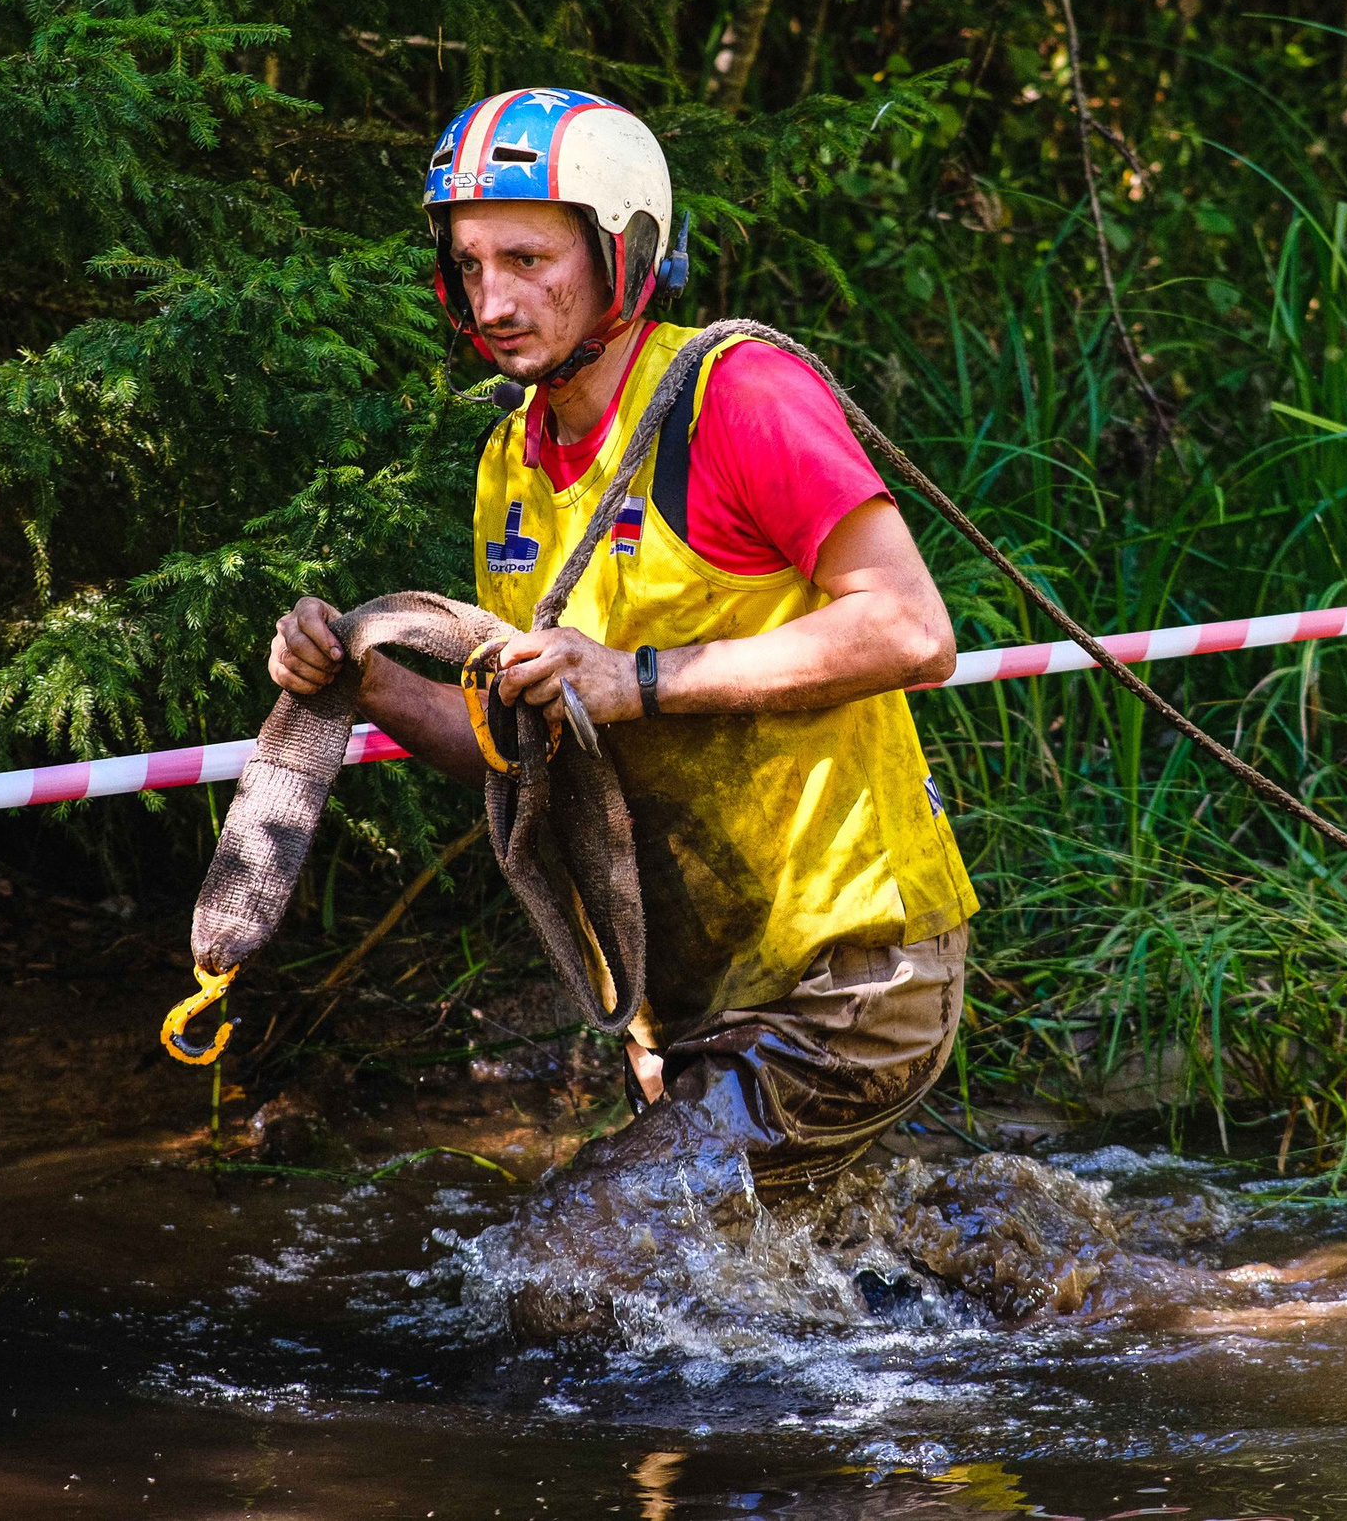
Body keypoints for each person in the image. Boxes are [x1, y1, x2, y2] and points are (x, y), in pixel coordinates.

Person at [265, 88, 978, 1193]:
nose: (492, 300)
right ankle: (1036, 1282)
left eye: (527, 259)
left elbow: (911, 631)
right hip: (690, 999)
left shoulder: (735, 395)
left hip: (851, 975)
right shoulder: (509, 461)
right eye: (467, 267)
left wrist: (638, 679)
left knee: (584, 1260)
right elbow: (518, 740)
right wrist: (360, 683)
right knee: (771, 1301)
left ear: (621, 252)